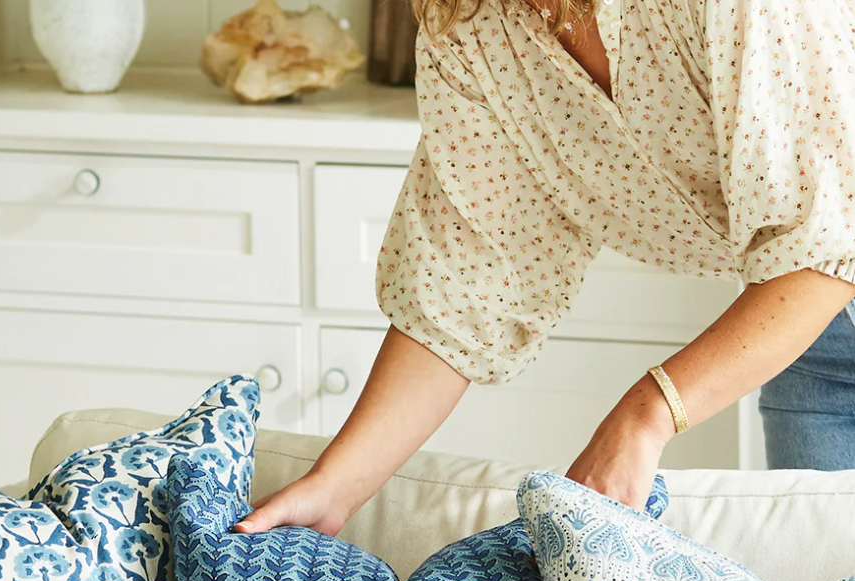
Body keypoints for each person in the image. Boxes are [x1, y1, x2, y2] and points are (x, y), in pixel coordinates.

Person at [236, 0, 855, 536]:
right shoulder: (470, 29)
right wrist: (335, 487)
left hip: (802, 301)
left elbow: (826, 244)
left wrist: (646, 415)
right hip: (809, 341)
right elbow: (464, 281)